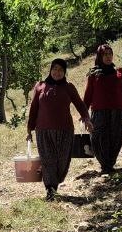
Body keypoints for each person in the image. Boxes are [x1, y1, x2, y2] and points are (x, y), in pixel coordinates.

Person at [26, 58, 92, 200]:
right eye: (54, 69)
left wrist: (86, 118)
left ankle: (55, 183)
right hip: (43, 130)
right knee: (48, 160)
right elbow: (33, 109)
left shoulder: (69, 87)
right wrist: (29, 130)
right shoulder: (40, 86)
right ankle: (51, 190)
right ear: (50, 70)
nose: (57, 72)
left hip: (65, 130)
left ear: (64, 72)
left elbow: (80, 105)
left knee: (62, 161)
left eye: (61, 70)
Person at [82, 44, 122, 175]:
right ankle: (104, 164)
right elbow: (88, 94)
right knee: (98, 137)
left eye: (109, 54)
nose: (108, 56)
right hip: (99, 111)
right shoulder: (93, 73)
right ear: (99, 56)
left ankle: (110, 165)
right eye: (104, 54)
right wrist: (84, 114)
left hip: (118, 111)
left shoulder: (119, 72)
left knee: (116, 137)